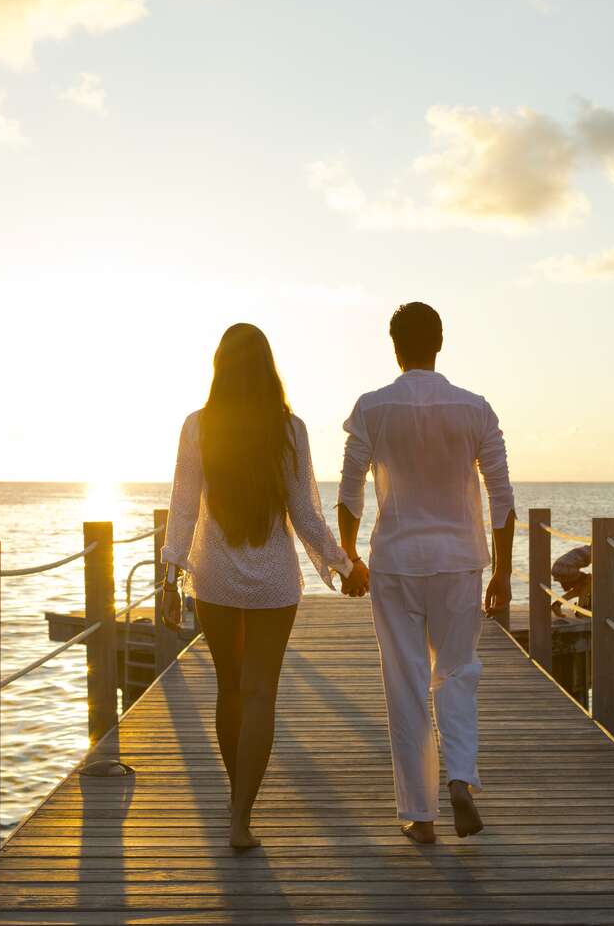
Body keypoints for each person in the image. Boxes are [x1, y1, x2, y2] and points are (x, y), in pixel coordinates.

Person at [159, 323, 369, 849]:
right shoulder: (289, 429)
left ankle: (238, 806)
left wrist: (169, 573)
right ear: (268, 368)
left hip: (216, 579)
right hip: (274, 582)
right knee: (260, 694)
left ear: (219, 367)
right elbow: (305, 514)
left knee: (229, 690)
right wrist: (344, 565)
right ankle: (241, 813)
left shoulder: (198, 426)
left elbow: (183, 508)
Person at [337, 302, 515, 844]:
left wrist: (349, 557)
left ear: (396, 347)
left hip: (395, 561)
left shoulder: (372, 409)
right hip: (460, 559)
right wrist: (503, 574)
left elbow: (349, 494)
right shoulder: (476, 410)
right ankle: (460, 777)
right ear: (440, 343)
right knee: (457, 672)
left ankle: (421, 815)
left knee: (406, 681)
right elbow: (502, 498)